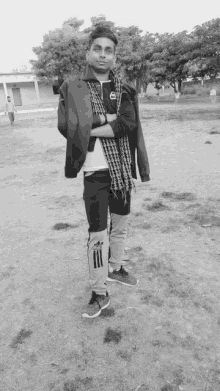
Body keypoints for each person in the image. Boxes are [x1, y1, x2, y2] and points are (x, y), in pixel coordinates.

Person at [57, 25, 150, 319]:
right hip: (94, 174)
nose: (102, 55)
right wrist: (103, 122)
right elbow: (67, 126)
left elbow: (127, 124)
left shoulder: (126, 89)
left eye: (109, 50)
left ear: (115, 57)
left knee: (120, 227)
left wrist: (88, 125)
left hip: (121, 172)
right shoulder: (71, 88)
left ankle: (116, 266)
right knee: (97, 234)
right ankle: (99, 291)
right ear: (88, 52)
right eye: (97, 48)